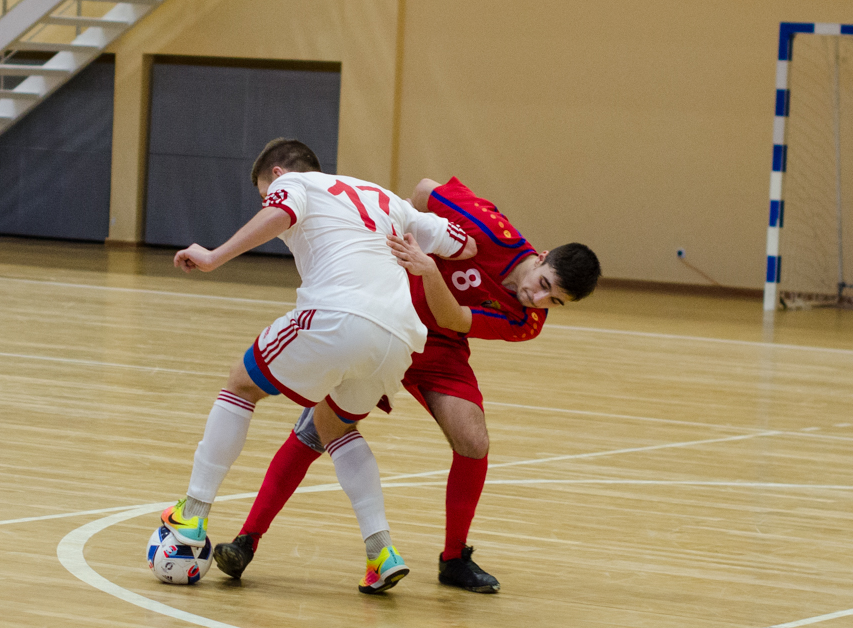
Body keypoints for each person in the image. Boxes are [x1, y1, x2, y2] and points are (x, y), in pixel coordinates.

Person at [212, 177, 601, 593]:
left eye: (554, 301)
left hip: (441, 346)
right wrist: (410, 237)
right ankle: (246, 541)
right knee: (317, 431)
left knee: (473, 440)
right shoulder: (489, 230)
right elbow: (423, 190)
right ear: (541, 258)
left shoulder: (528, 323)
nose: (537, 300)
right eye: (543, 285)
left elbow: (454, 320)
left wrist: (430, 269)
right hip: (388, 317)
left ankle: (453, 559)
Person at [162, 139, 477, 594]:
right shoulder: (385, 198)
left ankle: (191, 514)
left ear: (276, 172)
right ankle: (381, 551)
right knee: (336, 427)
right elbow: (464, 246)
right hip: (400, 339)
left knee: (240, 386)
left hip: (338, 316)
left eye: (265, 191)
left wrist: (213, 256)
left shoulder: (296, 183)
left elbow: (281, 214)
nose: (267, 198)